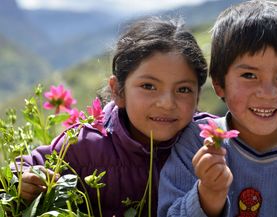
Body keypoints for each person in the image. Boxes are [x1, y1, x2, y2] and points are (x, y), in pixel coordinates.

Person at [158, 1, 277, 216]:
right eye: (249, 75)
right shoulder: (197, 141)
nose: (267, 93)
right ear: (219, 84)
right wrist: (208, 195)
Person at [15, 16, 212, 217]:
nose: (167, 103)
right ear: (118, 90)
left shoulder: (210, 142)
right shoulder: (85, 145)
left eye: (184, 89)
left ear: (198, 96)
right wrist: (24, 181)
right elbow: (25, 167)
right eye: (149, 86)